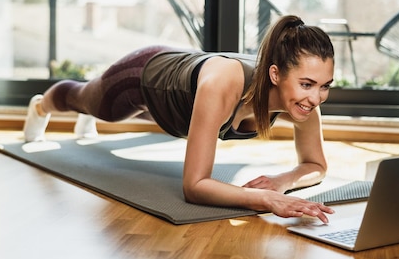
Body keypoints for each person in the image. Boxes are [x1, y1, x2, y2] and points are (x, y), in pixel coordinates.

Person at [23, 14, 336, 223]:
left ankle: (85, 117)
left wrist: (284, 181)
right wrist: (265, 199)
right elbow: (194, 186)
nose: (316, 97)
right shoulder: (223, 85)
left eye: (324, 86)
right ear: (275, 74)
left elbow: (316, 166)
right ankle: (41, 107)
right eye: (307, 84)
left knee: (139, 113)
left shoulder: (304, 102)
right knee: (85, 101)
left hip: (182, 99)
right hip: (145, 76)